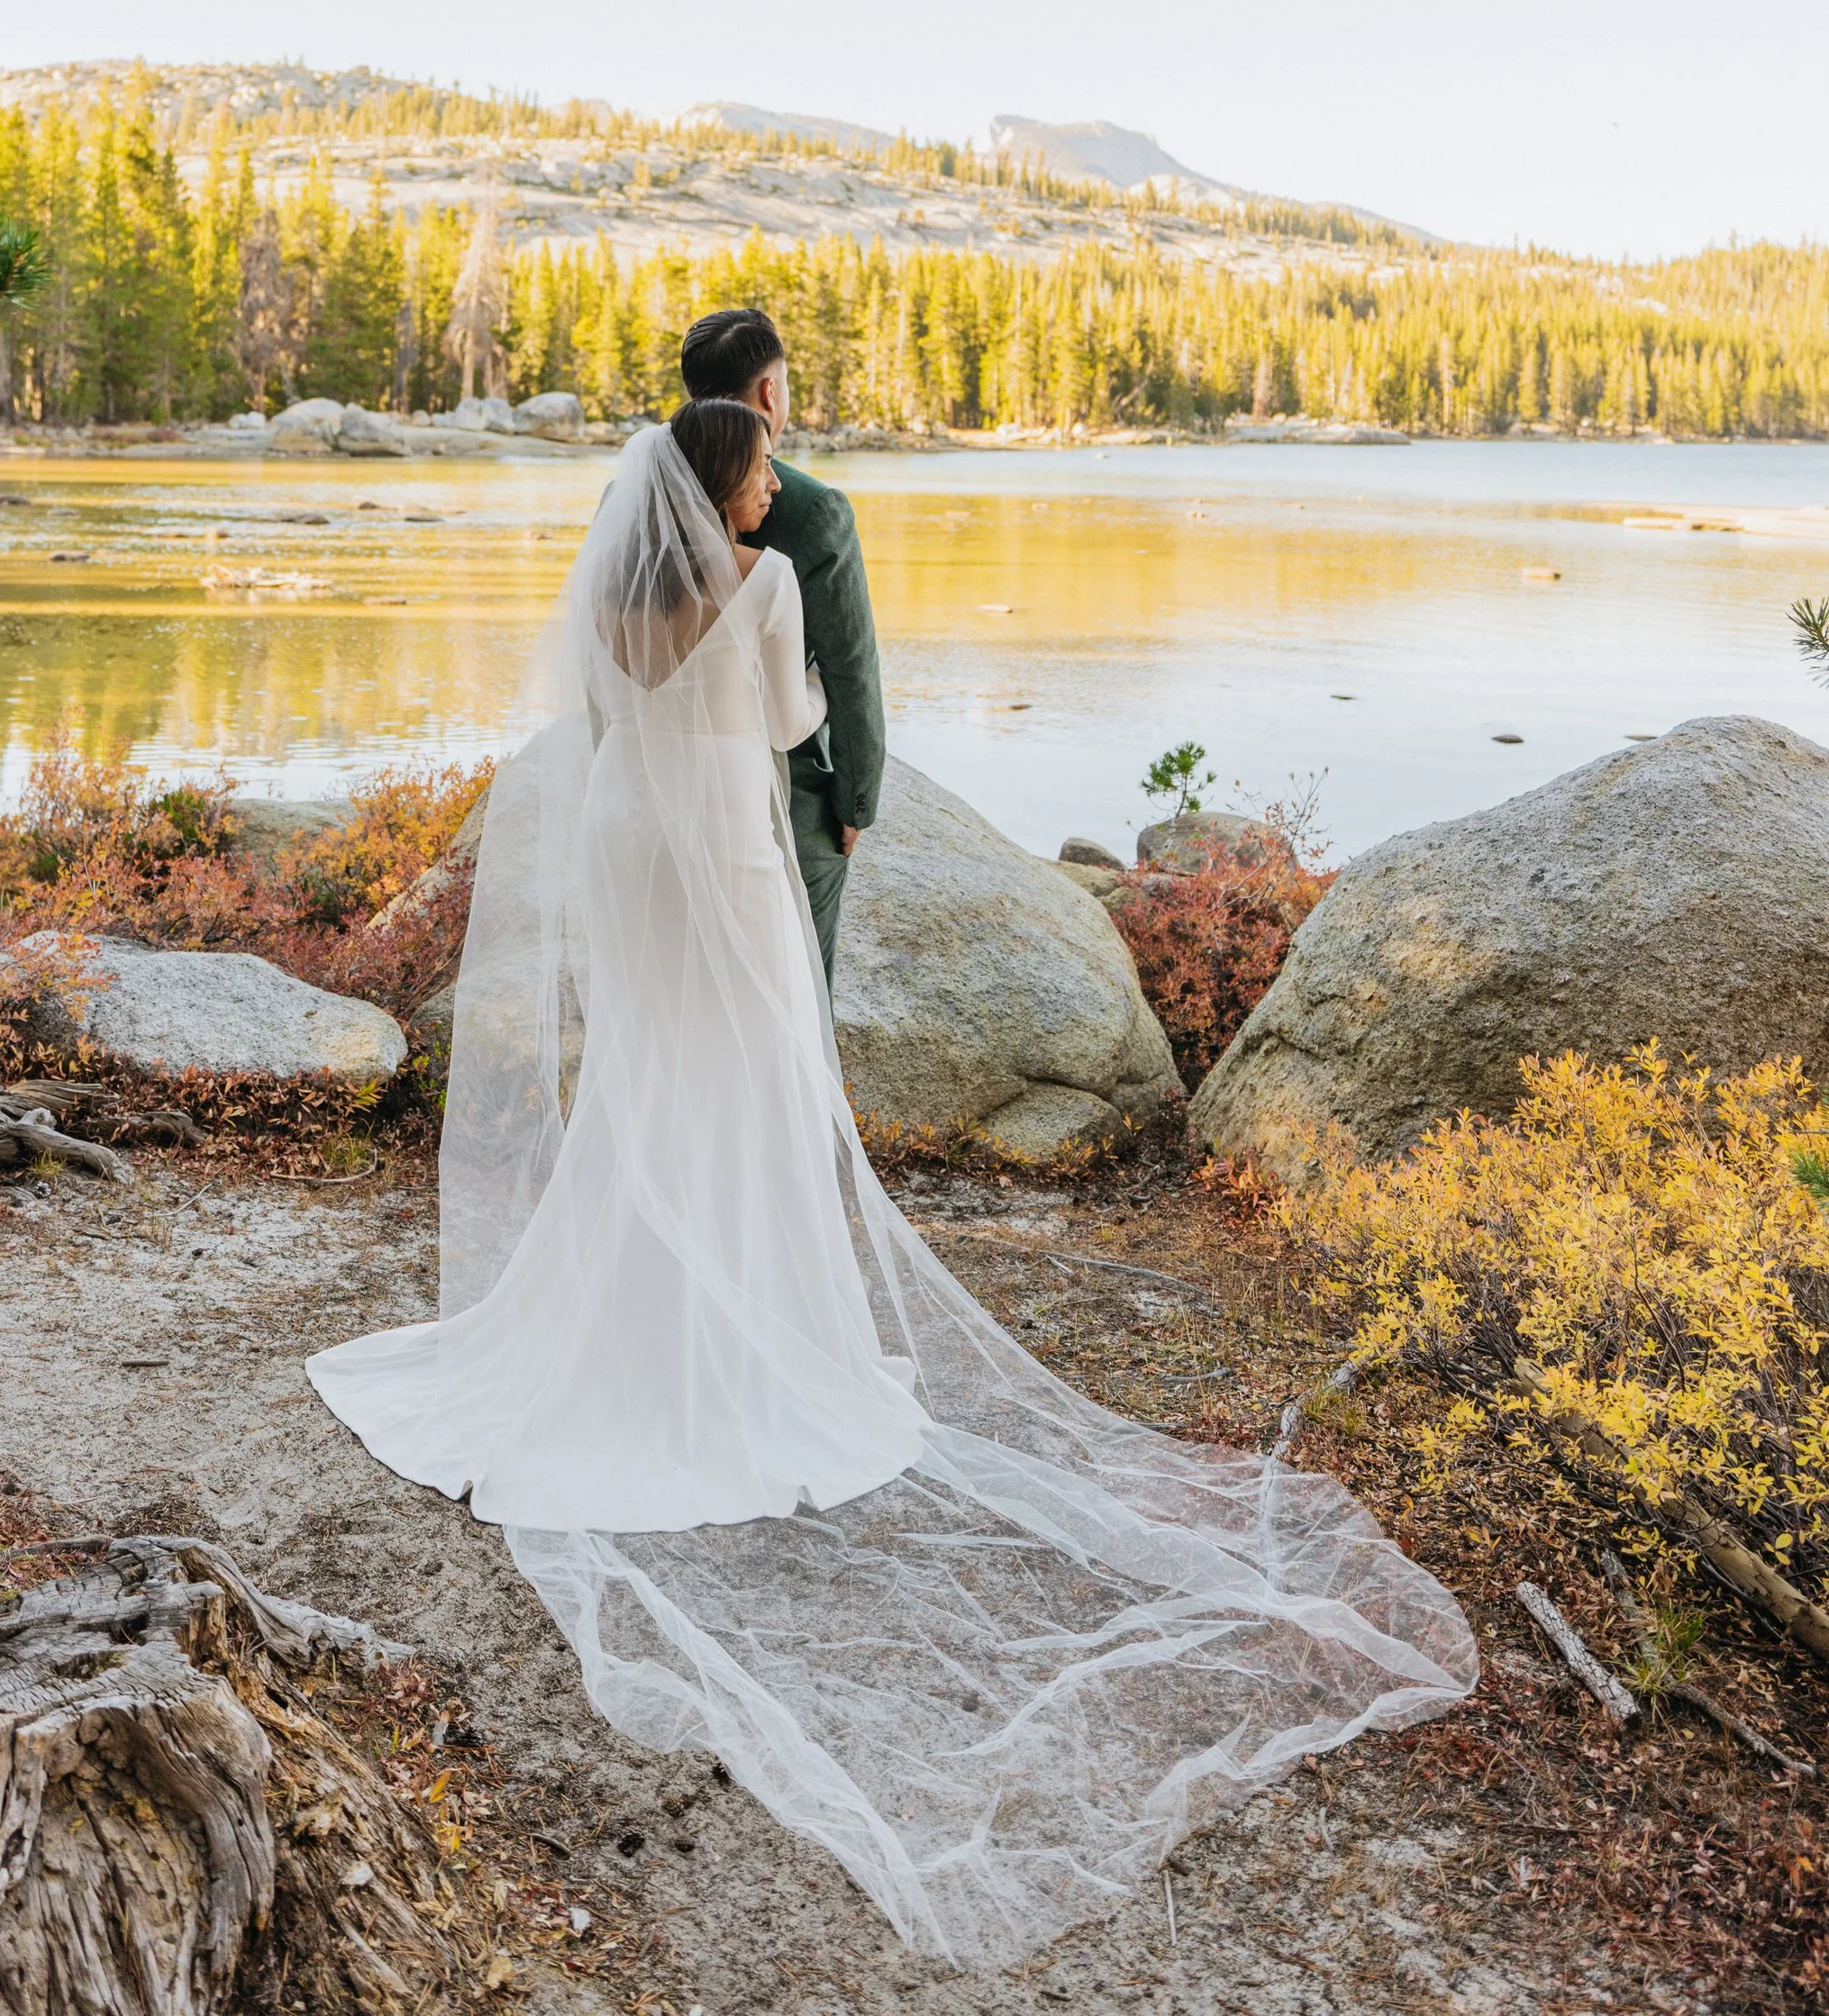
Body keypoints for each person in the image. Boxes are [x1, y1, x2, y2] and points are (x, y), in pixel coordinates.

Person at [308, 413, 1473, 1968]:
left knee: (646, 1089)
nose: (780, 487)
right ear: (725, 483)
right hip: (721, 851)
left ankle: (636, 1321)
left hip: (626, 844)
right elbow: (793, 723)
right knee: (742, 1094)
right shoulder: (769, 580)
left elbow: (595, 719)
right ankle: (732, 1333)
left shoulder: (603, 599)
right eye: (765, 466)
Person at [678, 303, 881, 987]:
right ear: (771, 393)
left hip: (658, 792)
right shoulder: (810, 507)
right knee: (795, 1007)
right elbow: (851, 665)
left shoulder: (636, 496)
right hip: (778, 802)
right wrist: (854, 803)